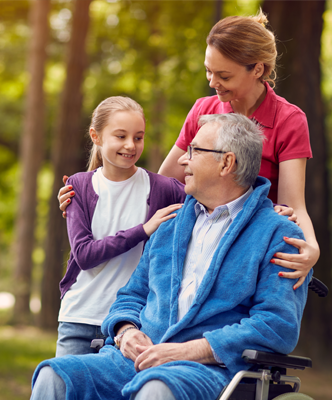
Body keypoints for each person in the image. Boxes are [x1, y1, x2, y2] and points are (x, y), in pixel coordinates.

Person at [31, 113, 310, 400]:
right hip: (133, 360)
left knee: (156, 388)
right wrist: (125, 331)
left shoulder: (278, 234)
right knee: (54, 376)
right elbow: (131, 295)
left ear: (227, 163)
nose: (182, 160)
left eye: (195, 151)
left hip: (208, 370)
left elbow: (277, 325)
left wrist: (191, 350)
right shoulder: (171, 225)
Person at [57, 10, 318, 290]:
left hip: (251, 245)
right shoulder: (203, 110)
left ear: (257, 69)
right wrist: (90, 192)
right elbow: (162, 183)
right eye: (208, 70)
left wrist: (311, 249)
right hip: (199, 244)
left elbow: (293, 206)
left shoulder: (289, 120)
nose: (212, 82)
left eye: (224, 75)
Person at [56, 96, 185, 357]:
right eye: (121, 136)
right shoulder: (78, 187)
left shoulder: (163, 188)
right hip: (80, 318)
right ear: (96, 136)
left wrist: (271, 207)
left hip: (131, 324)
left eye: (138, 137)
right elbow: (84, 255)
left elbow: (216, 205)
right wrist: (144, 229)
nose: (130, 145)